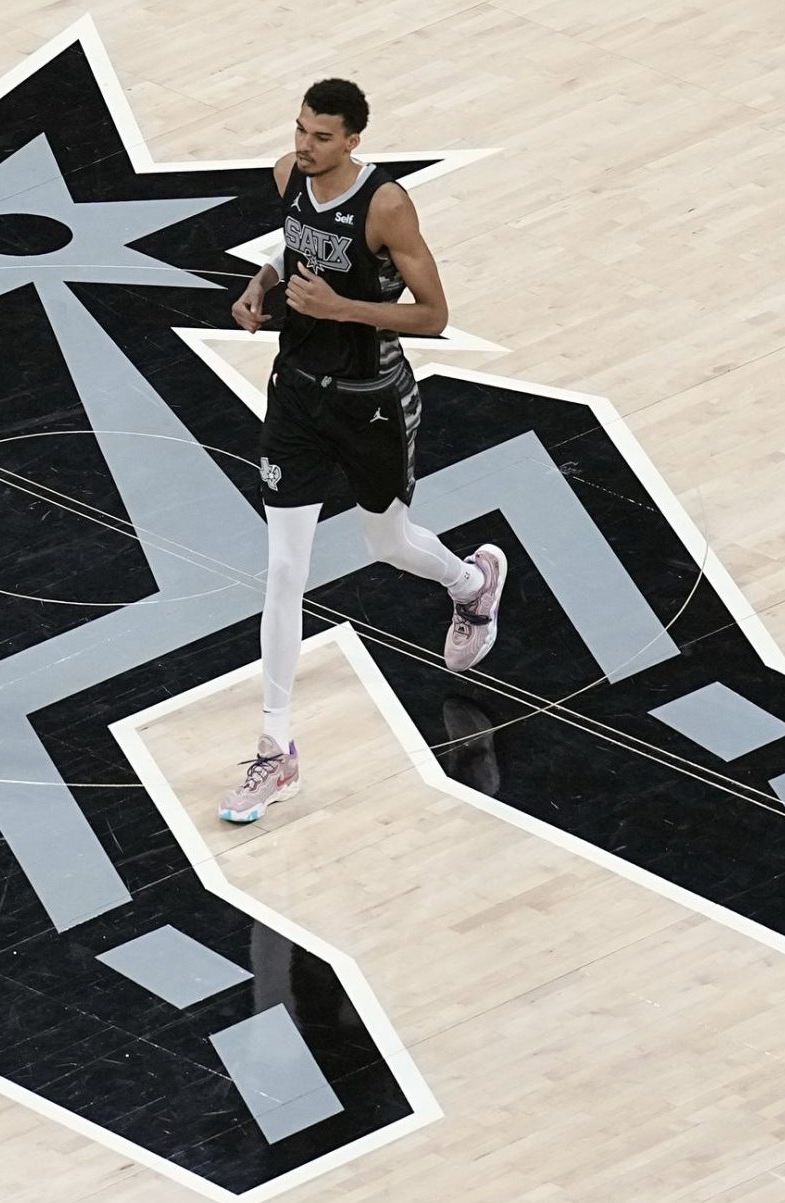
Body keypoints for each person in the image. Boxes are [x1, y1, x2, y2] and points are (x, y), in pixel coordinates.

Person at [219, 78, 505, 824]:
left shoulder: (386, 204)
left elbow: (434, 314)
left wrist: (341, 308)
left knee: (386, 542)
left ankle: (471, 582)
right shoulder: (289, 175)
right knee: (285, 569)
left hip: (371, 401)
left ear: (353, 140)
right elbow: (293, 245)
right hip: (296, 397)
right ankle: (275, 748)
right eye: (299, 129)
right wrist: (260, 283)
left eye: (321, 136)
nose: (304, 145)